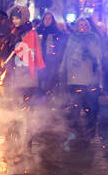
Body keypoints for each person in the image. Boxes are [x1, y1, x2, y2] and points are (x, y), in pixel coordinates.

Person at [60, 15, 103, 149]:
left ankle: (89, 134)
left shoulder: (93, 38)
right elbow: (67, 54)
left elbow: (98, 56)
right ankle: (76, 133)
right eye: (80, 25)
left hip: (90, 77)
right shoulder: (72, 38)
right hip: (74, 76)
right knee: (75, 106)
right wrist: (62, 69)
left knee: (91, 107)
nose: (82, 27)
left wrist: (89, 50)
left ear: (88, 26)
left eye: (85, 25)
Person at [3, 5, 44, 105]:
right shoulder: (12, 32)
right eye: (13, 18)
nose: (15, 21)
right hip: (13, 74)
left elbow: (36, 53)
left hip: (26, 74)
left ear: (24, 18)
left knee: (26, 104)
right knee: (14, 104)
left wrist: (24, 52)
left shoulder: (31, 34)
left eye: (17, 18)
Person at [37, 11, 68, 95]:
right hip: (39, 59)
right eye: (45, 18)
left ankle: (48, 98)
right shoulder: (38, 31)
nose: (47, 20)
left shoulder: (56, 32)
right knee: (39, 80)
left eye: (49, 18)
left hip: (51, 61)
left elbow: (61, 46)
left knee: (50, 80)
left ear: (52, 20)